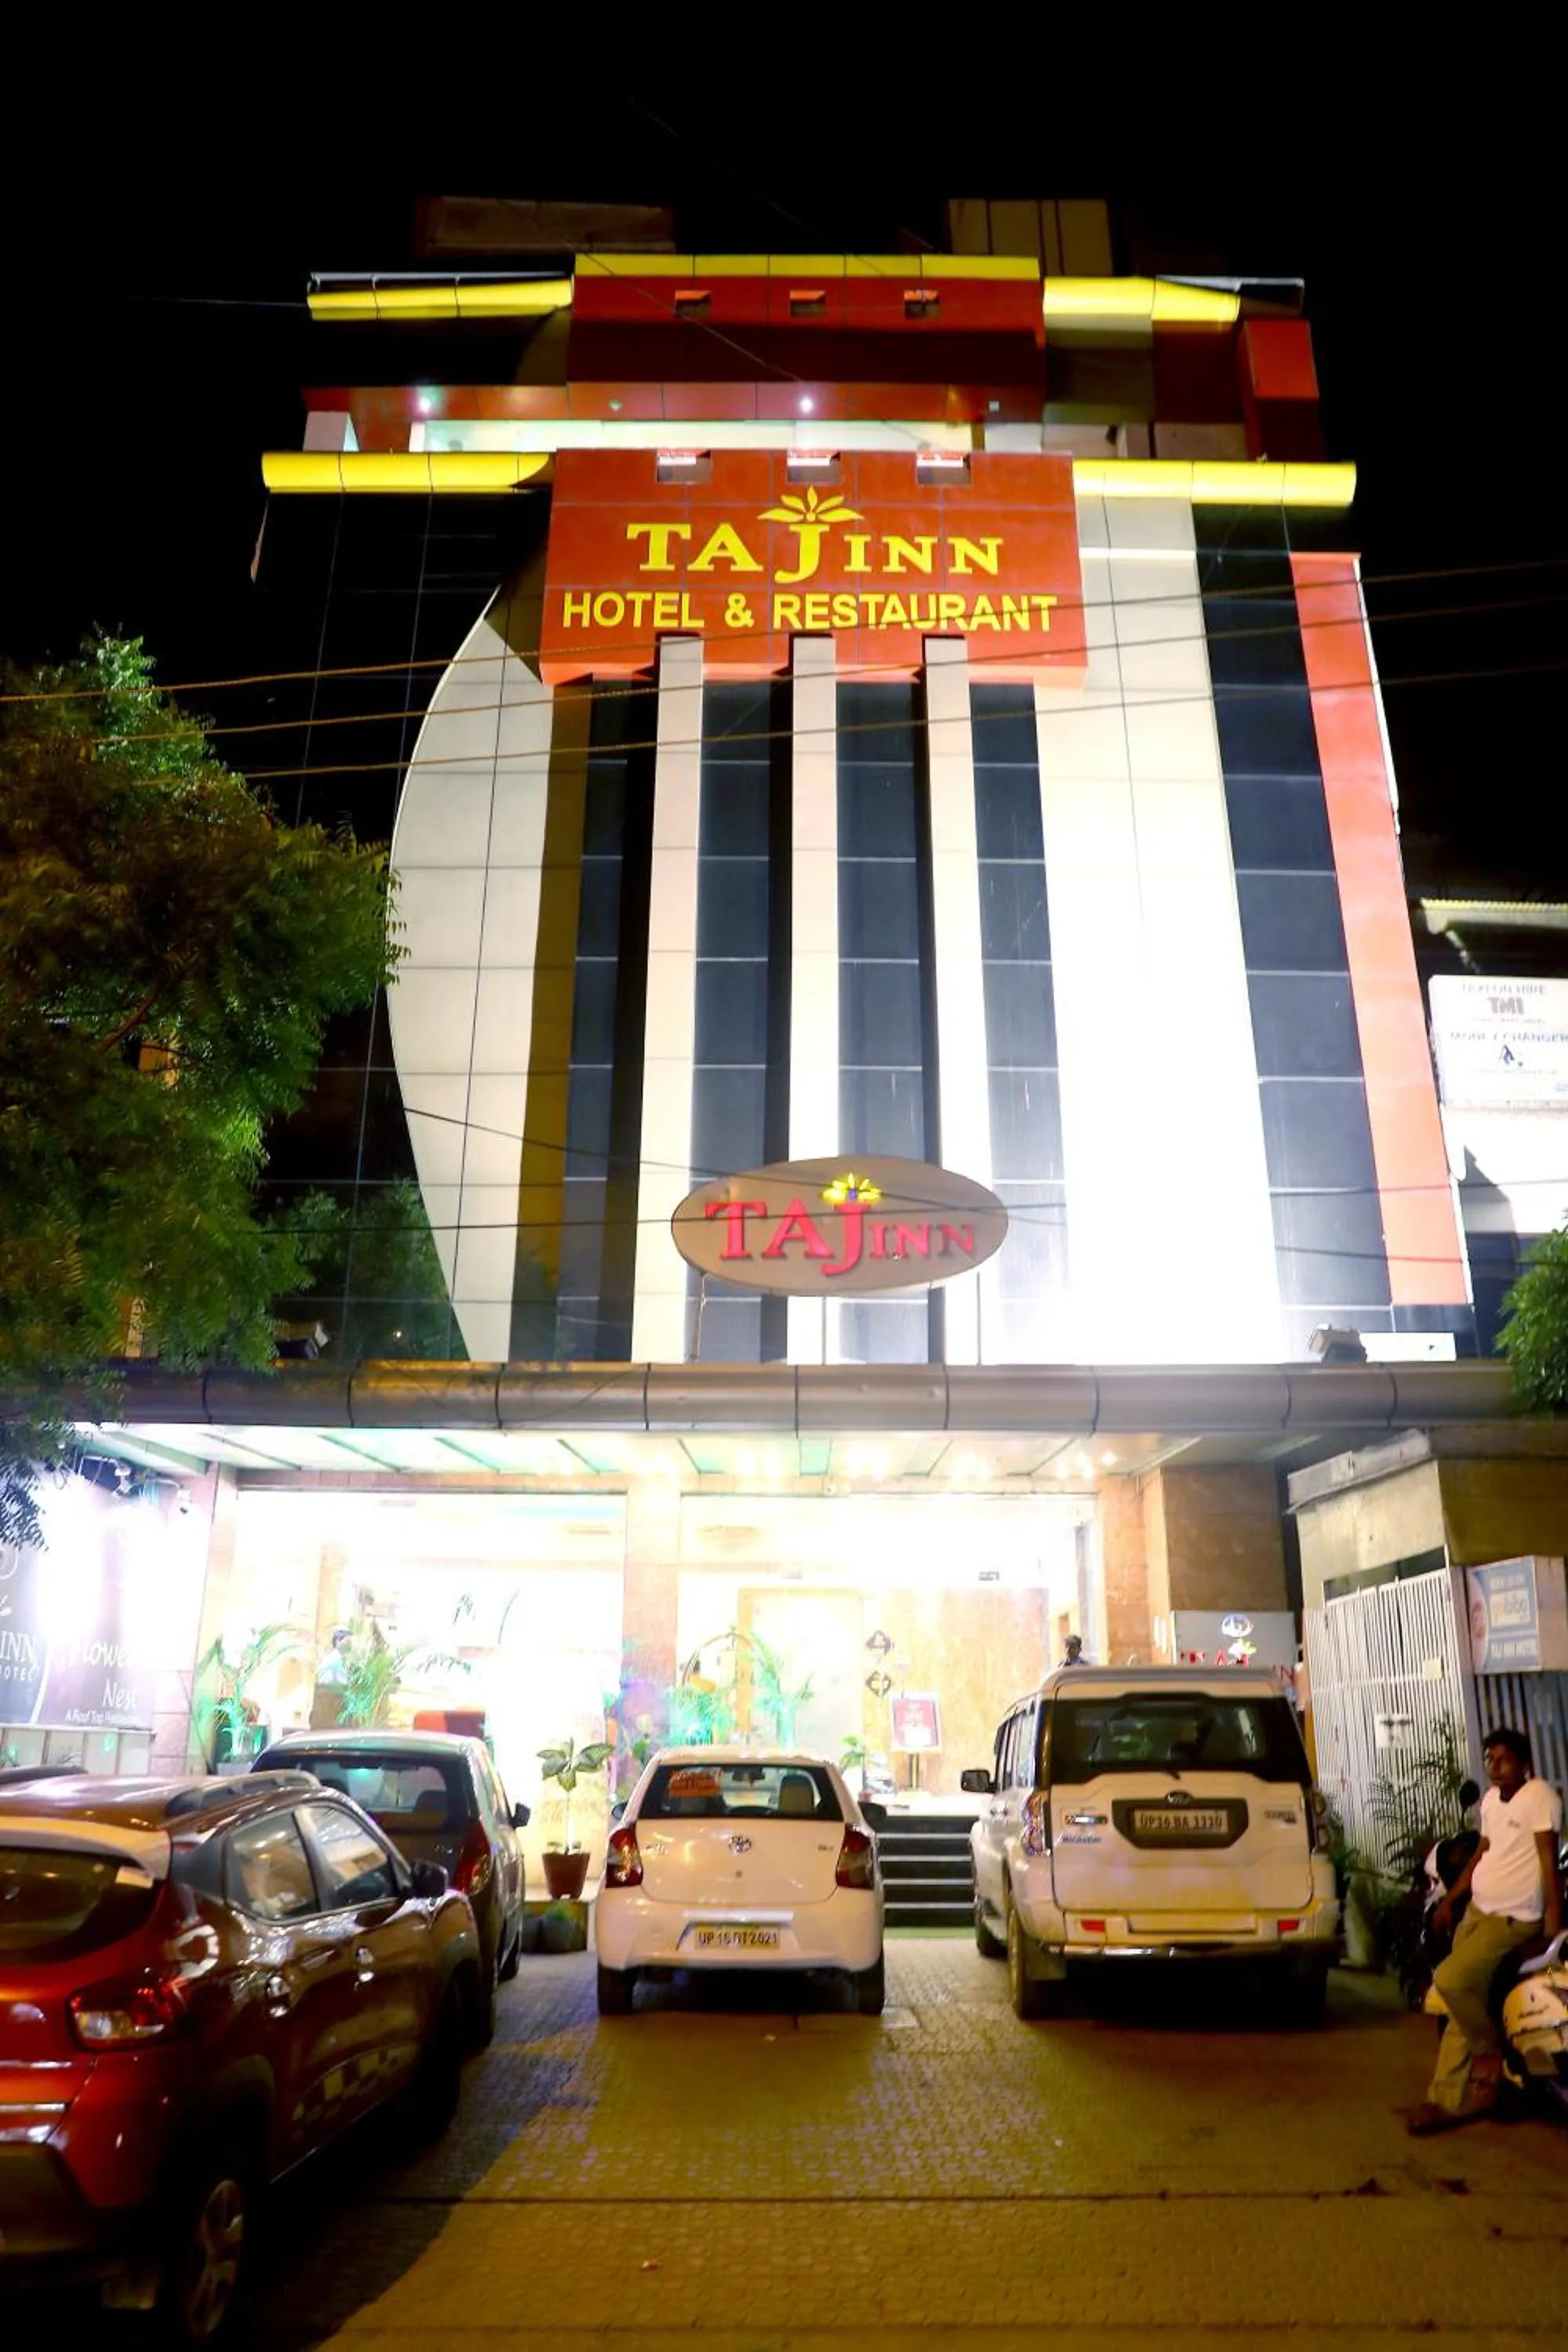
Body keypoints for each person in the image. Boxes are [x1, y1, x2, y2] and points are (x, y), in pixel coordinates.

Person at [1407, 1729, 1563, 2135]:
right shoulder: (1492, 1801)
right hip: (1479, 1912)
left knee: (1452, 1980)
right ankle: (1445, 2099)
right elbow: (1482, 1854)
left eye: (1505, 1758)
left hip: (1511, 1918)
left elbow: (1549, 1863)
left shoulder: (1540, 1797)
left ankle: (1489, 2054)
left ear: (1525, 1764)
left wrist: (1553, 1925)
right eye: (1490, 1758)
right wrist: (1450, 1900)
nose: (1495, 1766)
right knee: (1460, 2002)